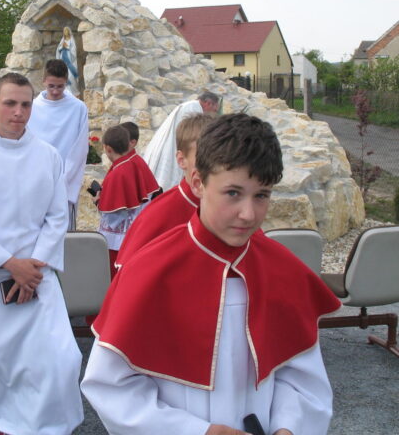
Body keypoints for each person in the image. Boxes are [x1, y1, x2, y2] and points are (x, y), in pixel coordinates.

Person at [82, 113, 341, 435]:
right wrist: (195, 431)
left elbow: (300, 376)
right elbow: (111, 386)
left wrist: (289, 427)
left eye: (261, 195)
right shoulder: (149, 272)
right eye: (233, 193)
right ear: (197, 183)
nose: (248, 214)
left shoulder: (283, 272)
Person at [0, 72, 83, 435]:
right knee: (3, 368)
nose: (18, 112)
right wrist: (11, 265)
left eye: (25, 104)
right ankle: (3, 424)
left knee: (60, 360)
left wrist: (31, 269)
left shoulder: (48, 155)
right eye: (10, 103)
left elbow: (57, 217)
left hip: (38, 278)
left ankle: (51, 426)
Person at [116, 113, 213, 268]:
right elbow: (131, 271)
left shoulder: (232, 207)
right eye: (204, 157)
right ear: (181, 160)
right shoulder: (159, 213)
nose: (213, 165)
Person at [27, 59, 89, 230]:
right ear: (43, 81)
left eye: (60, 86)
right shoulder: (32, 107)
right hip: (37, 180)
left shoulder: (78, 108)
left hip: (65, 180)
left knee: (63, 233)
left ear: (66, 82)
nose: (55, 91)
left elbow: (80, 148)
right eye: (51, 86)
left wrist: (64, 179)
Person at [96, 125, 160, 278]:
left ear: (108, 149)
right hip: (137, 232)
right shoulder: (135, 160)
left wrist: (98, 201)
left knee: (115, 278)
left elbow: (113, 218)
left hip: (119, 242)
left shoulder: (118, 173)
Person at [143, 91, 221, 191]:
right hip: (175, 150)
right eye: (215, 110)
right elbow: (192, 137)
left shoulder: (189, 106)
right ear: (208, 103)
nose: (214, 113)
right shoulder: (192, 109)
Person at [55, 26, 79, 96]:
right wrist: (62, 46)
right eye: (64, 31)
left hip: (70, 60)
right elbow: (58, 50)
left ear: (69, 32)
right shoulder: (62, 40)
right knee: (63, 75)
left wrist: (67, 47)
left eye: (66, 31)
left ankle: (73, 91)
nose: (65, 32)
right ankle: (65, 91)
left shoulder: (71, 40)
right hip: (63, 60)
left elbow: (73, 50)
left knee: (71, 76)